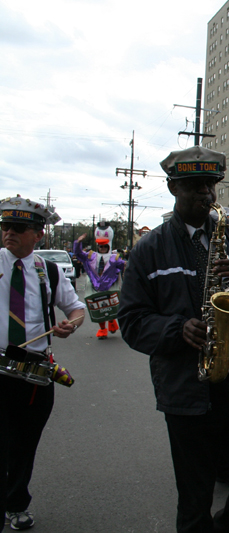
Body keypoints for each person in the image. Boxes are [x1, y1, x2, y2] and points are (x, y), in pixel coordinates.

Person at [117, 146, 229, 532]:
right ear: (173, 187)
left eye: (210, 185)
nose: (206, 194)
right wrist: (176, 329)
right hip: (190, 394)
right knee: (194, 501)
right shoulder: (149, 249)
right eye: (195, 186)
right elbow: (131, 321)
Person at [1, 196, 85, 532]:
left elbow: (76, 309)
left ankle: (16, 503)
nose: (9, 233)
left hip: (35, 371)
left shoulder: (47, 271)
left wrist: (71, 325)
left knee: (23, 444)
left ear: (38, 234)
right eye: (5, 226)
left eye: (18, 228)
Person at [73, 224, 125, 339]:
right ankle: (102, 329)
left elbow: (125, 266)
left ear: (108, 247)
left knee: (111, 305)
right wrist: (78, 242)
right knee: (99, 308)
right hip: (96, 286)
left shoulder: (114, 258)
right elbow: (79, 254)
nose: (102, 249)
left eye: (104, 247)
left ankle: (111, 322)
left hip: (111, 286)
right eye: (100, 247)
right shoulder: (91, 256)